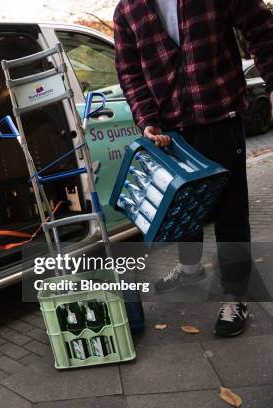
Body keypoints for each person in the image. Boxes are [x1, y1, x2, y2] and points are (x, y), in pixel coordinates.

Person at [114, 0, 273, 336]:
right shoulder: (127, 10)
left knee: (230, 213)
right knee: (182, 209)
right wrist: (147, 120)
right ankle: (190, 269)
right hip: (168, 132)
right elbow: (129, 72)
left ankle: (234, 296)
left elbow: (262, 29)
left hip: (219, 117)